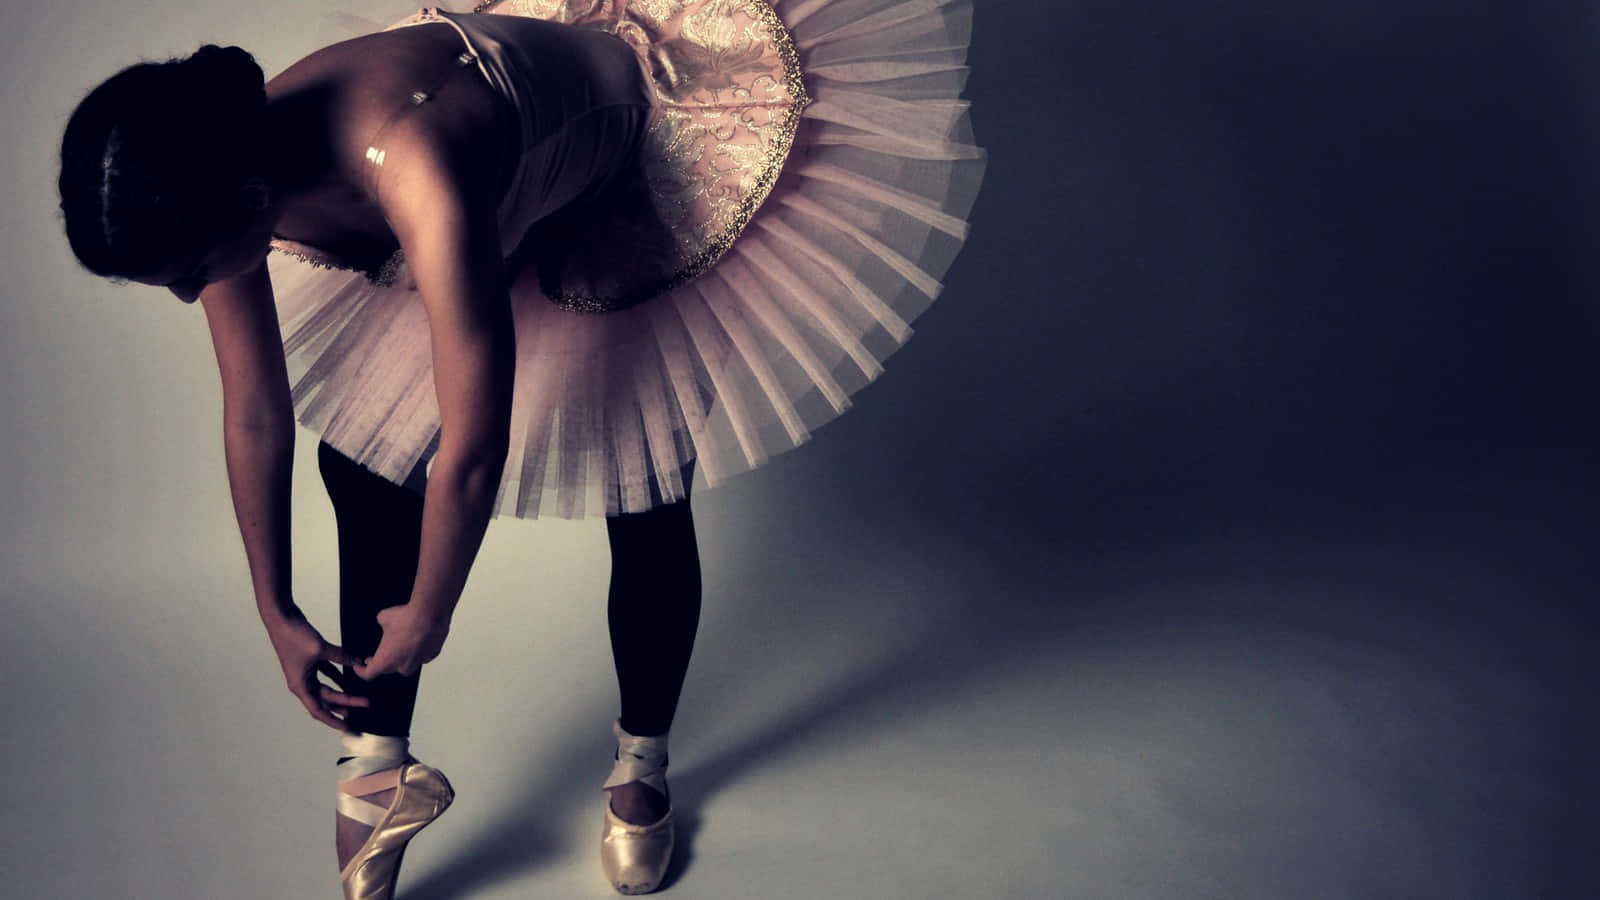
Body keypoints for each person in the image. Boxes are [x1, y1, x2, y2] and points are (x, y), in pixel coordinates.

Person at [57, 1, 984, 897]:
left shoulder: (406, 164)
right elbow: (256, 411)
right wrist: (274, 609)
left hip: (630, 154)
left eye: (184, 276)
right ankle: (378, 773)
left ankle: (641, 766)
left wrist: (431, 614)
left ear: (255, 202)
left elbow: (472, 446)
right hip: (495, 168)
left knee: (644, 477)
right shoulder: (220, 167)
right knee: (361, 460)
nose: (188, 298)